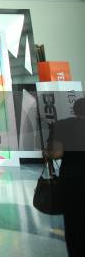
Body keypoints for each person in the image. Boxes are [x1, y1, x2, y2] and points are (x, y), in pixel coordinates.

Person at [45, 97, 85, 257]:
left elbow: (56, 153)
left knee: (73, 221)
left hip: (72, 179)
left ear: (74, 110)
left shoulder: (62, 125)